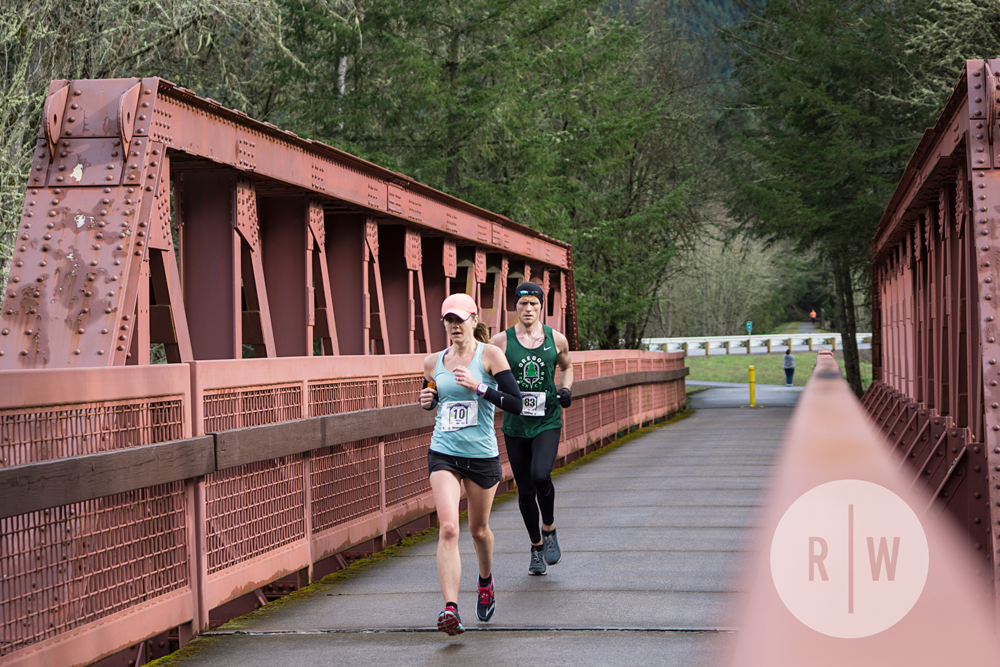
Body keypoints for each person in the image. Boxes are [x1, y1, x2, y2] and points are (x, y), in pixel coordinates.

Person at [419, 292, 523, 636]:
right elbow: (433, 396)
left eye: (459, 320)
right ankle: (450, 608)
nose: (453, 326)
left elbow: (516, 404)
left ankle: (485, 581)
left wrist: (480, 387)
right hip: (444, 452)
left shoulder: (490, 355)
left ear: (474, 321)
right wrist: (427, 400)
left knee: (478, 530)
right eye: (448, 320)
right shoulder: (432, 362)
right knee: (449, 528)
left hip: (481, 454)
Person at [491, 282, 574, 576]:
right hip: (515, 424)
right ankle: (536, 547)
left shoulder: (556, 339)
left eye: (534, 304)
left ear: (541, 307)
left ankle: (549, 527)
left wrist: (565, 389)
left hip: (547, 419)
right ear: (515, 306)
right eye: (523, 304)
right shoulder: (500, 342)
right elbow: (485, 374)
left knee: (541, 475)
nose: (528, 309)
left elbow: (567, 366)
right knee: (525, 491)